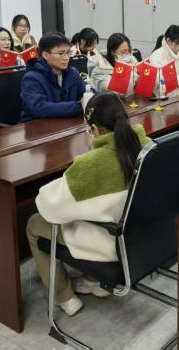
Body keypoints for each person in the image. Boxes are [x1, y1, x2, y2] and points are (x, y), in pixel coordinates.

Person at [26, 92, 150, 315]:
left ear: (94, 129)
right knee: (90, 209)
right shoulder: (146, 145)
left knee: (34, 224)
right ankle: (94, 281)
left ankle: (64, 296)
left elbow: (49, 206)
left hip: (110, 241)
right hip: (141, 234)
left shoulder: (91, 164)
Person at [20, 33, 86, 122]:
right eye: (61, 53)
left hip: (66, 123)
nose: (66, 58)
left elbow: (85, 94)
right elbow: (39, 108)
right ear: (46, 55)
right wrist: (79, 106)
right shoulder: (32, 78)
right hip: (38, 126)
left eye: (68, 53)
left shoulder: (73, 73)